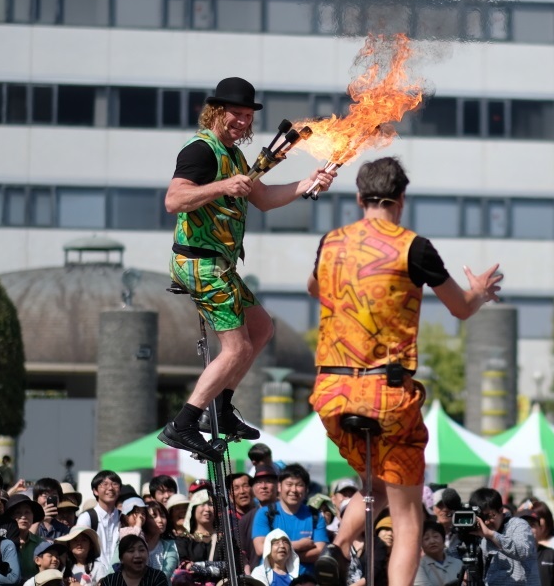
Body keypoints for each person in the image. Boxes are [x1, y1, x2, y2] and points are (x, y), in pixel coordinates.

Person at [308, 157, 502, 586]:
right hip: (386, 394)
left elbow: (314, 287)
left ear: (359, 198)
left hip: (330, 391)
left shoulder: (331, 241)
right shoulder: (413, 246)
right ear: (402, 200)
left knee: (374, 481)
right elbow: (461, 308)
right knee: (408, 514)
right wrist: (481, 292)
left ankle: (337, 548)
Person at [159, 76, 338, 460]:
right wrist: (222, 187)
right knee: (237, 346)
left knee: (261, 327)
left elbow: (266, 199)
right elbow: (174, 200)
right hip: (198, 262)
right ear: (216, 112)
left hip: (219, 264)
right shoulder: (201, 150)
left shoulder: (235, 156)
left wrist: (309, 181)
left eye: (246, 115)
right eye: (235, 114)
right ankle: (184, 423)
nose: (242, 121)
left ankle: (219, 409)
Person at [250, 465, 328, 576]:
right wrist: (298, 545)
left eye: (299, 485)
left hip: (305, 581)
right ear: (279, 487)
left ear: (306, 489)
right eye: (289, 484)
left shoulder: (315, 516)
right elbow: (260, 548)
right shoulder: (265, 513)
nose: (294, 490)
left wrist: (282, 555)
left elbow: (320, 552)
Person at [75, 473, 120, 577]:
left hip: (119, 576)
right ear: (95, 491)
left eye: (114, 484)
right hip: (93, 575)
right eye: (105, 484)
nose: (110, 488)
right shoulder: (86, 517)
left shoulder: (123, 518)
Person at [239, 467, 279, 571]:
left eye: (268, 482)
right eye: (258, 482)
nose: (263, 486)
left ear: (278, 486)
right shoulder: (245, 520)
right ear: (253, 488)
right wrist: (245, 566)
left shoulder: (288, 513)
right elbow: (241, 551)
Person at [97, 535, 169, 586]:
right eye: (131, 551)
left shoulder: (157, 577)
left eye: (141, 550)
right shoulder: (110, 581)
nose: (137, 555)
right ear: (121, 559)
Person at [4, 495, 46, 583]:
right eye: (18, 512)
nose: (23, 516)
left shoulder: (42, 544)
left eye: (27, 512)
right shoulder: (2, 544)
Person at [413, 520, 461, 586]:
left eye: (435, 536)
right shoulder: (418, 567)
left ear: (443, 539)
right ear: (421, 544)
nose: (432, 541)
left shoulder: (458, 563)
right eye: (426, 538)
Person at [140, 503, 177, 580]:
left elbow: (168, 571)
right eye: (154, 516)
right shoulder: (134, 542)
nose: (160, 520)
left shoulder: (170, 545)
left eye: (163, 516)